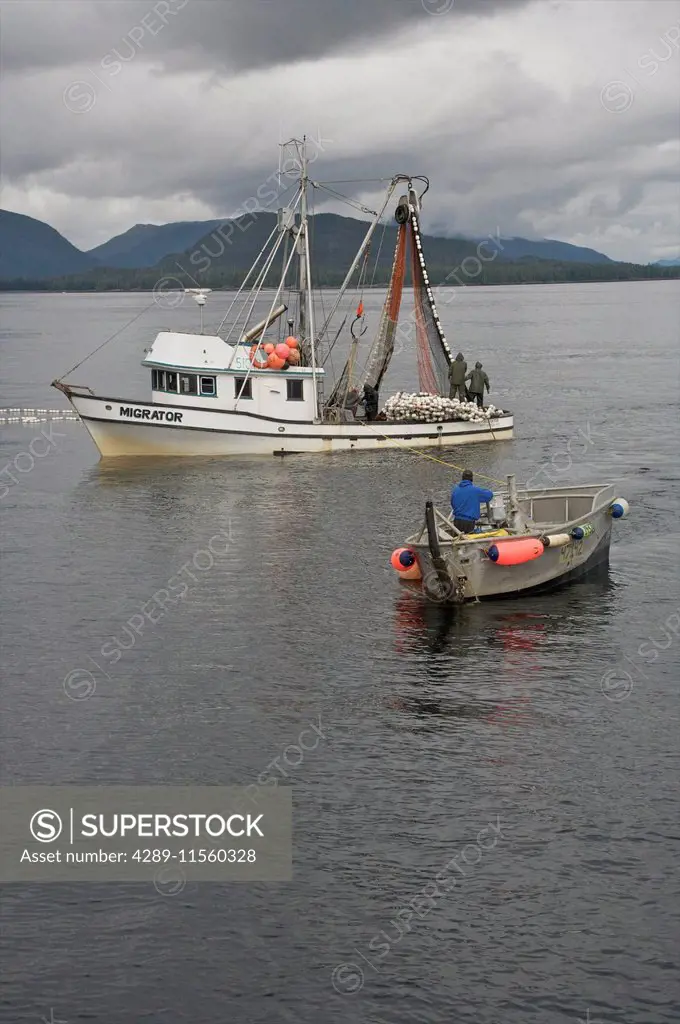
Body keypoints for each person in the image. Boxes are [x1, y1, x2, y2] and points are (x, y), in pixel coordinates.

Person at [451, 469, 494, 533]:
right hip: (469, 523)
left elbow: (452, 504)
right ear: (472, 479)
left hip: (457, 521)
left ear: (462, 478)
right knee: (468, 538)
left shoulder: (455, 490)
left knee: (459, 538)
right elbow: (489, 495)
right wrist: (484, 490)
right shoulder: (475, 490)